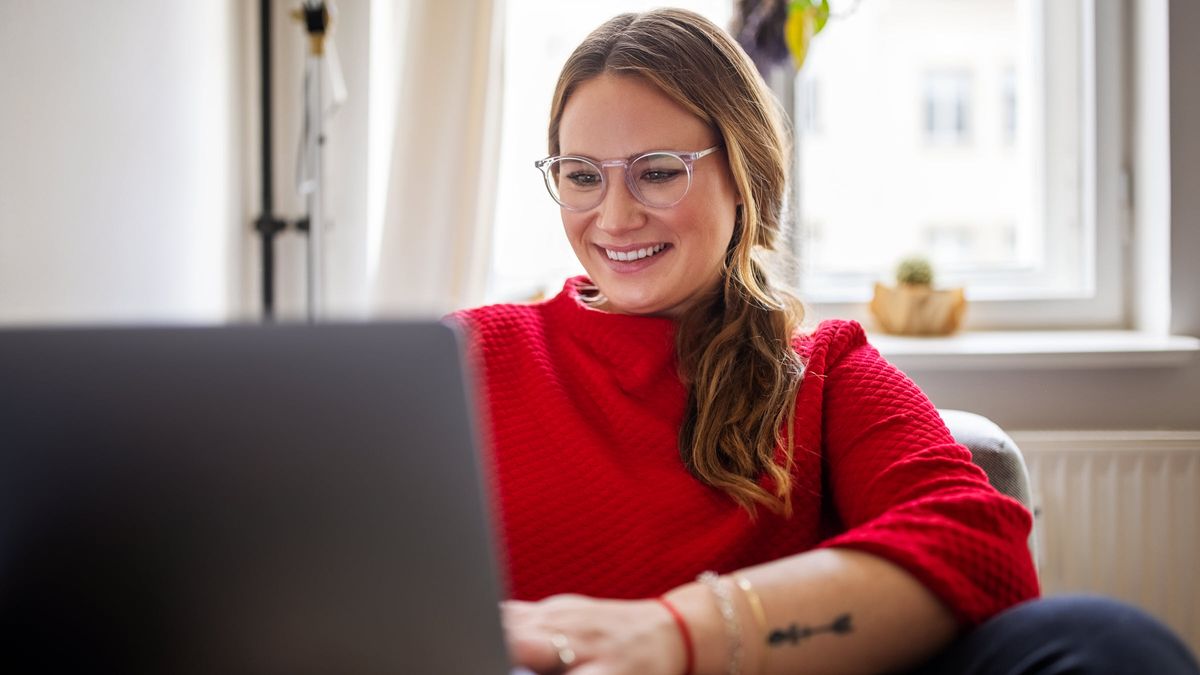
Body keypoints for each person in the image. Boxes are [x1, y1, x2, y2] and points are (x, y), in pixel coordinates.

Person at [453, 8, 1200, 675]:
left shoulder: (821, 371)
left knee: (1105, 638)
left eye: (657, 172)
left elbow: (983, 543)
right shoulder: (468, 357)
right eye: (581, 175)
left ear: (742, 177)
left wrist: (677, 632)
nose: (613, 217)